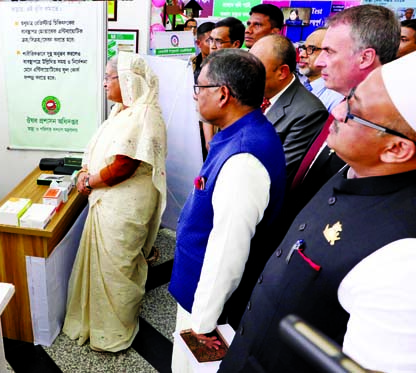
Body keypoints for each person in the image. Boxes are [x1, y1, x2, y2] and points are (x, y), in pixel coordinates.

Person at [219, 51, 416, 373]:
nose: (337, 110)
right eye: (349, 97)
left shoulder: (404, 255)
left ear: (396, 149)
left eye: (355, 110)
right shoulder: (353, 168)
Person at [169, 49, 286, 372]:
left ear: (222, 94)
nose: (195, 97)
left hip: (212, 306)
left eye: (200, 88)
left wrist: (204, 322)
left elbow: (228, 250)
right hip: (199, 288)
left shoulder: (244, 157)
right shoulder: (239, 133)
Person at [62, 52, 167, 352]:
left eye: (110, 78)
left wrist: (88, 181)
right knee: (107, 265)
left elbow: (124, 165)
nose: (105, 84)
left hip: (124, 206)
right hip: (108, 199)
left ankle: (114, 332)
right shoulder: (122, 110)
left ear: (127, 80)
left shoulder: (144, 114)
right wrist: (85, 171)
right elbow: (100, 148)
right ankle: (97, 323)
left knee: (117, 266)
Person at [290, 5, 400, 207]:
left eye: (329, 52)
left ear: (365, 57)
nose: (320, 61)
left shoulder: (380, 128)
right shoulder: (343, 104)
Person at [250, 34, 328, 185]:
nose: (246, 74)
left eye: (255, 68)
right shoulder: (254, 94)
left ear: (282, 72)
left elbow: (280, 172)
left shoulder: (309, 112)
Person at [297, 28, 344, 112]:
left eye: (311, 49)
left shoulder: (337, 99)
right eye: (303, 48)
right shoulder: (299, 85)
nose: (302, 55)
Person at [191, 22, 216, 160]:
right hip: (190, 124)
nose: (213, 45)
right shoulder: (189, 64)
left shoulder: (221, 67)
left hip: (213, 128)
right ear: (198, 43)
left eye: (216, 40)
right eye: (209, 40)